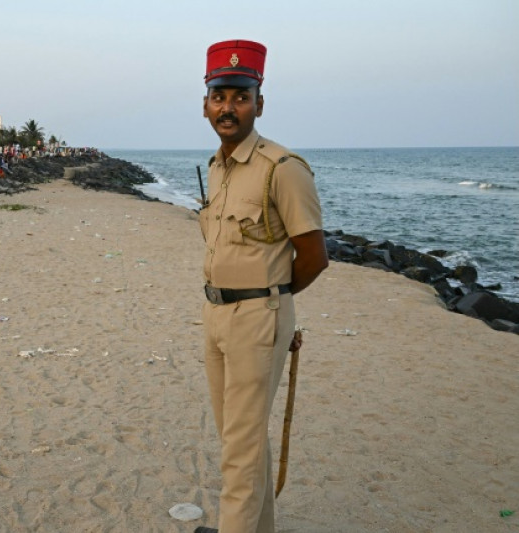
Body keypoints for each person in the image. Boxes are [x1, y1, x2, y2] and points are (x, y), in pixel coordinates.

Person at [194, 40, 329, 533]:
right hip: (215, 315)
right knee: (242, 440)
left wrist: (272, 299)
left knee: (239, 450)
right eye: (219, 95)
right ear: (205, 102)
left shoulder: (282, 168)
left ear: (259, 103)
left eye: (241, 95)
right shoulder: (217, 166)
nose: (228, 107)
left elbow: (314, 256)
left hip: (257, 317)